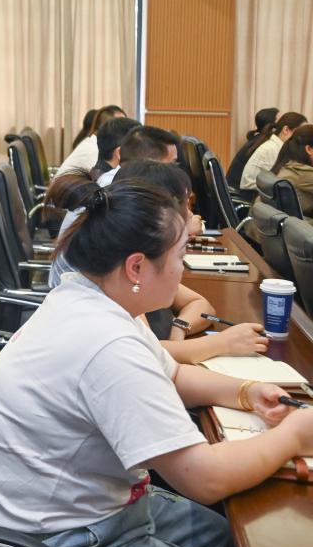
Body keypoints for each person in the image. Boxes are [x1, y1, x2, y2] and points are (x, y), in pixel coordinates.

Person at [0, 178, 313, 547]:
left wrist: (244, 392)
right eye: (180, 255)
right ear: (137, 267)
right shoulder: (106, 341)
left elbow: (173, 374)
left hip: (88, 515)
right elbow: (203, 478)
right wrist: (294, 436)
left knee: (234, 543)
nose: (184, 268)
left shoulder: (94, 298)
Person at [49, 163, 266, 364]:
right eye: (184, 204)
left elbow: (200, 305)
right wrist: (223, 343)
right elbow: (145, 353)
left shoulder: (142, 262)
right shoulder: (121, 276)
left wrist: (179, 328)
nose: (190, 214)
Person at [48, 125, 181, 287]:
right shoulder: (120, 192)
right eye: (172, 164)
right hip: (78, 289)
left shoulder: (120, 182)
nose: (175, 172)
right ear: (151, 163)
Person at [240, 112, 308, 191]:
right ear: (286, 130)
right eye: (300, 133)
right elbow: (247, 183)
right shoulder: (271, 149)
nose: (303, 138)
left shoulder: (278, 146)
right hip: (253, 194)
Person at [56, 104, 126, 176]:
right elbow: (108, 179)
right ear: (106, 127)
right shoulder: (93, 149)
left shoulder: (96, 143)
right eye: (121, 125)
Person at [265, 124, 313, 218]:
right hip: (294, 224)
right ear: (309, 149)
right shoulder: (302, 173)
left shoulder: (288, 164)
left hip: (273, 222)